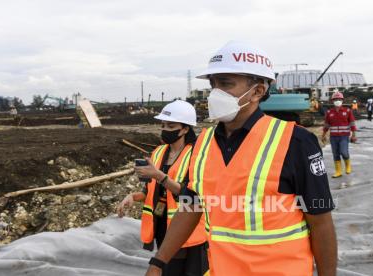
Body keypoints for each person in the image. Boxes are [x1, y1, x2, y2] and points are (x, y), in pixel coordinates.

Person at [145, 41, 337, 276]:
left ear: (257, 91)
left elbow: (320, 221)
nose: (215, 92)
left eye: (225, 83)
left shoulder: (295, 141)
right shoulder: (202, 144)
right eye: (213, 84)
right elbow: (191, 205)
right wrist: (158, 263)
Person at [118, 100, 209, 276]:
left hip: (187, 231)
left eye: (171, 125)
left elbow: (192, 197)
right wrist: (133, 197)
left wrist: (160, 176)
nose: (166, 129)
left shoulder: (197, 156)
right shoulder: (159, 152)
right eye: (163, 125)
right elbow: (150, 191)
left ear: (185, 129)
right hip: (162, 228)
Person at [322, 92, 357, 178]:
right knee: (336, 154)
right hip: (333, 137)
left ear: (342, 100)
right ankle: (338, 171)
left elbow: (352, 123)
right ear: (332, 101)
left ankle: (348, 165)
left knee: (344, 152)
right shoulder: (329, 112)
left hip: (344, 136)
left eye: (339, 99)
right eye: (335, 99)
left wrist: (354, 135)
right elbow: (326, 125)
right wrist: (323, 135)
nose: (337, 101)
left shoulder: (347, 111)